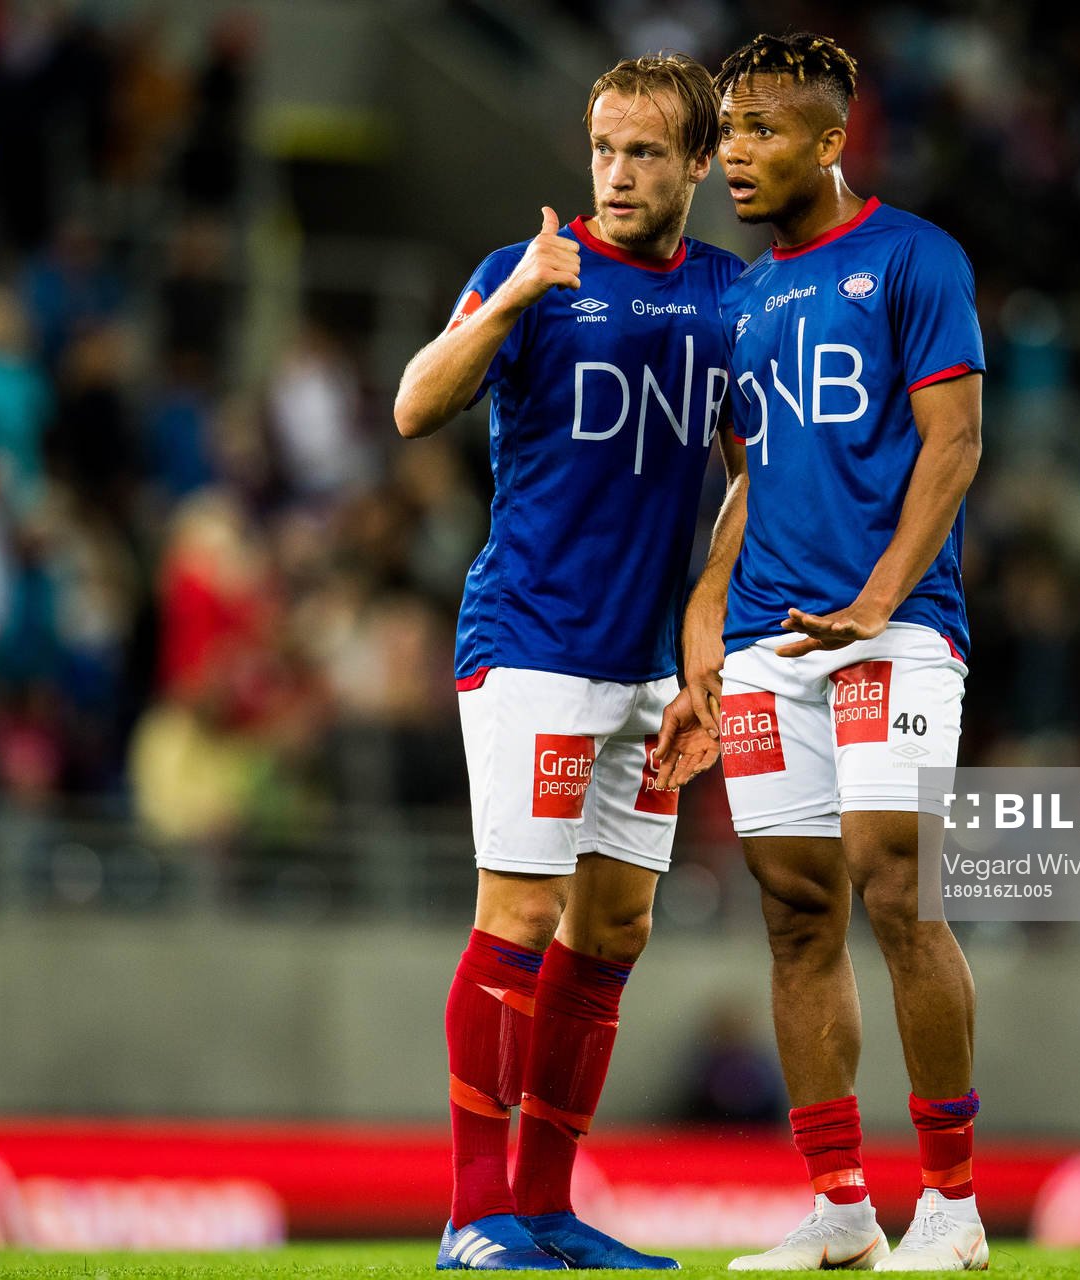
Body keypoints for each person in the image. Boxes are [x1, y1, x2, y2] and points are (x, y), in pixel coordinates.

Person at [392, 53, 740, 1271]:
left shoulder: (728, 295)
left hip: (649, 669)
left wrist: (706, 613)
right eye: (604, 149)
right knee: (523, 914)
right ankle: (473, 1213)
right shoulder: (529, 271)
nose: (619, 173)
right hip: (536, 646)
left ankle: (544, 1207)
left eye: (646, 152)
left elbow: (751, 464)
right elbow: (414, 404)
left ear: (700, 162)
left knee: (614, 931)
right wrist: (508, 300)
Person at [659, 31, 988, 1272]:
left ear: (831, 139)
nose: (736, 155)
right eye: (730, 132)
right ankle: (841, 1202)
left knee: (895, 883)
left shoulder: (916, 258)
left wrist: (876, 598)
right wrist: (705, 609)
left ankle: (950, 1202)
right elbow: (751, 476)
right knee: (797, 917)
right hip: (763, 649)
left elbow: (952, 445)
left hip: (894, 633)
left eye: (764, 132)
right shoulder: (744, 299)